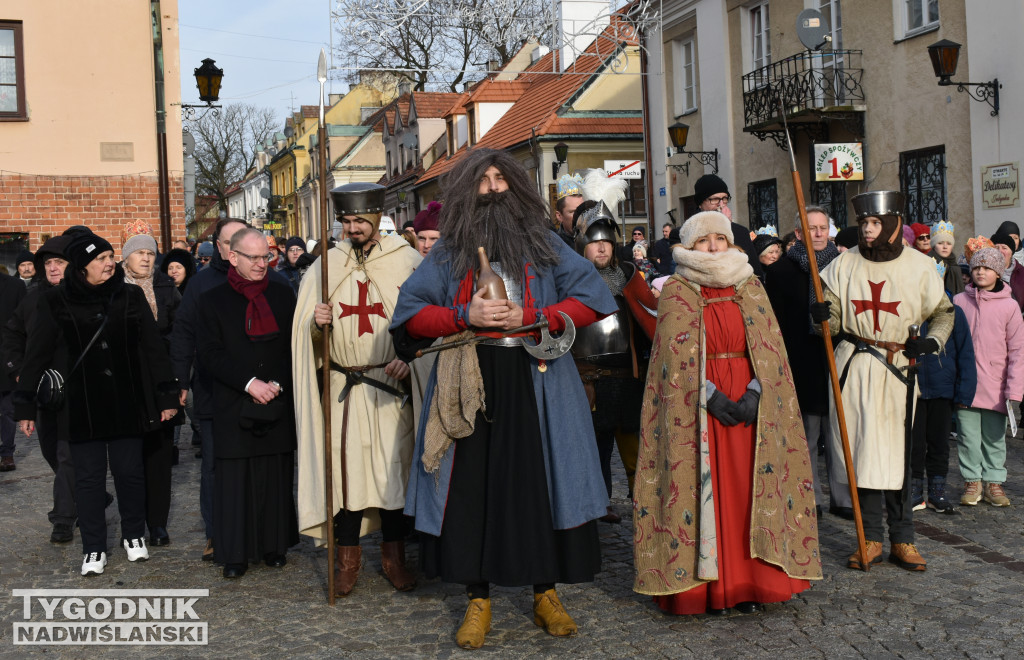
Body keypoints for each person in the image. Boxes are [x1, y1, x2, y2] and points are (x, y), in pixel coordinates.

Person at [392, 148, 616, 650]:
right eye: (484, 180)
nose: (493, 188)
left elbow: (591, 299)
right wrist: (461, 317)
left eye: (501, 179)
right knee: (474, 489)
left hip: (539, 381)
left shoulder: (547, 246)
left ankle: (545, 594)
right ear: (468, 190)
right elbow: (410, 315)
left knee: (543, 484)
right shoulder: (449, 252)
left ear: (516, 187)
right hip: (470, 378)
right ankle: (479, 599)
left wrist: (538, 317)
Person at [633, 210, 821, 615]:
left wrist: (756, 392)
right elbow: (674, 356)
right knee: (709, 491)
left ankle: (750, 582)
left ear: (732, 244)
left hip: (750, 401)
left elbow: (771, 348)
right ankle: (710, 586)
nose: (714, 247)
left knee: (747, 490)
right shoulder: (679, 290)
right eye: (704, 241)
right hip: (700, 405)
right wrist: (710, 396)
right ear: (688, 246)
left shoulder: (750, 285)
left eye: (720, 239)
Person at [292, 182, 429, 598]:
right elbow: (303, 337)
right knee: (345, 476)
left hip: (390, 384)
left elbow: (426, 322)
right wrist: (315, 324)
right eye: (345, 221)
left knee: (392, 473)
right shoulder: (325, 265)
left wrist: (410, 357)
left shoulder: (406, 261)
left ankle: (394, 560)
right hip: (343, 387)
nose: (352, 228)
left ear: (375, 219)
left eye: (359, 221)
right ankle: (347, 563)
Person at [15, 232, 178, 576]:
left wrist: (165, 395)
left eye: (109, 256)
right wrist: (26, 406)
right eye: (100, 258)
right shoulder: (55, 301)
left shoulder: (130, 296)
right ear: (82, 266)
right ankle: (93, 547)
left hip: (126, 402)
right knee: (87, 480)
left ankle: (134, 534)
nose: (109, 263)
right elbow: (36, 355)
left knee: (130, 473)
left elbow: (153, 350)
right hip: (80, 407)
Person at [811, 191, 954, 572]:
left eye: (875, 224)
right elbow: (834, 324)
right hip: (855, 367)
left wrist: (931, 341)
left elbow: (943, 312)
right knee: (864, 454)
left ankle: (903, 539)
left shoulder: (920, 266)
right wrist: (822, 314)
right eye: (863, 224)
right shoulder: (844, 265)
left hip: (899, 368)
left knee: (899, 456)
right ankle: (870, 538)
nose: (869, 230)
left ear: (891, 225)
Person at [171, 218, 281, 562]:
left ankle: (265, 536)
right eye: (231, 240)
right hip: (214, 390)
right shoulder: (201, 285)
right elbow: (186, 335)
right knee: (218, 467)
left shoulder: (274, 283)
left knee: (265, 463)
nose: (257, 259)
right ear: (223, 249)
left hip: (267, 392)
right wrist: (179, 381)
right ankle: (217, 534)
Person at [197, 228, 299, 577]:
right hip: (233, 401)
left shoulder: (284, 294)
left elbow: (293, 346)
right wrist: (249, 383)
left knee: (274, 474)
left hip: (277, 396)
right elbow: (209, 354)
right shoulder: (211, 300)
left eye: (266, 257)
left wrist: (276, 383)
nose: (261, 264)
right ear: (232, 257)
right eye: (253, 258)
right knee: (235, 480)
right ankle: (236, 554)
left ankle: (274, 545)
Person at [570, 171, 651, 524]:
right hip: (587, 379)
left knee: (635, 446)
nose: (601, 247)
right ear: (581, 245)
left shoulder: (630, 276)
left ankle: (646, 502)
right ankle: (598, 503)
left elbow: (651, 318)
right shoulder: (570, 282)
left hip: (627, 376)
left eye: (606, 241)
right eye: (593, 241)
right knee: (595, 449)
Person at [767, 206, 850, 519]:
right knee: (807, 435)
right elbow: (775, 322)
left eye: (823, 227)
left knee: (839, 433)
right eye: (810, 228)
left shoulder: (843, 267)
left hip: (837, 360)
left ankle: (842, 496)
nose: (818, 234)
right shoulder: (780, 272)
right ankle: (809, 493)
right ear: (799, 234)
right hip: (801, 362)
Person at [1, 236, 73, 534]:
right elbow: (12, 335)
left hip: (77, 390)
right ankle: (83, 494)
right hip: (44, 391)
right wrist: (18, 370)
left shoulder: (84, 296)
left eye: (60, 263)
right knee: (48, 450)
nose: (53, 269)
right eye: (49, 264)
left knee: (67, 454)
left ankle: (63, 519)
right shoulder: (33, 298)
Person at [121, 220, 181, 547]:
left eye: (150, 252)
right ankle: (132, 526)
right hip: (128, 382)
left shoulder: (166, 286)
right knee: (128, 459)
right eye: (139, 252)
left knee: (159, 456)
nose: (145, 258)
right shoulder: (113, 286)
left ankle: (157, 523)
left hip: (161, 381)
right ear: (126, 256)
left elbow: (180, 330)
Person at [953, 247, 1024, 507]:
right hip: (966, 384)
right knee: (968, 436)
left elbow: (1018, 350)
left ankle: (994, 481)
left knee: (994, 438)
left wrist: (1014, 389)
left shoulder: (1010, 306)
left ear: (997, 272)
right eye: (976, 267)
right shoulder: (960, 301)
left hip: (997, 384)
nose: (981, 272)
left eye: (987, 268)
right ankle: (972, 480)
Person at [912, 290, 975, 513]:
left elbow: (965, 353)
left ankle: (937, 492)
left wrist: (964, 392)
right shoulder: (909, 309)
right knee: (914, 444)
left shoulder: (953, 312)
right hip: (914, 389)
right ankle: (914, 491)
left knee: (939, 444)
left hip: (943, 389)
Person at [692, 174, 761, 276]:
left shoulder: (741, 231)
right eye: (714, 199)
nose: (721, 204)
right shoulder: (688, 232)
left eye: (724, 198)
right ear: (700, 203)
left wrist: (727, 227)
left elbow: (755, 272)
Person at [0, 265, 26, 472]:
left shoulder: (15, 286)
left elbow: (24, 324)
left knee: (8, 410)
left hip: (6, 357)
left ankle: (7, 453)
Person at [989, 231, 1024, 311]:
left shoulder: (1022, 273)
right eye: (996, 248)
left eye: (1004, 248)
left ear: (1012, 252)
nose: (1000, 251)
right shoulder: (982, 272)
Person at [928, 221, 964, 296]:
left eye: (949, 243)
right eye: (940, 243)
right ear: (934, 245)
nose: (945, 247)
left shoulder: (955, 267)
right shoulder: (927, 263)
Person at [553, 173, 584, 247]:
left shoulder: (596, 242)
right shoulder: (554, 247)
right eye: (573, 212)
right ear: (559, 216)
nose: (580, 216)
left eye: (583, 210)